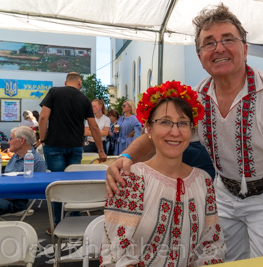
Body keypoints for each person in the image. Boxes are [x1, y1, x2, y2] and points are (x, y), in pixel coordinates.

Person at [104, 4, 263, 266]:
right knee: (223, 261)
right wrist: (126, 156)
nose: (219, 48)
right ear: (200, 56)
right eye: (209, 43)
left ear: (245, 48)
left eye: (228, 40)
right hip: (224, 195)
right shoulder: (197, 98)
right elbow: (160, 131)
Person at [100, 82, 225, 266]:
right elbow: (114, 254)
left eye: (182, 123)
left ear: (192, 130)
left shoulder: (203, 181)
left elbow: (211, 246)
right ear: (148, 129)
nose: (174, 132)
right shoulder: (132, 179)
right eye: (165, 122)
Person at [39, 72, 106, 232]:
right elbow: (94, 126)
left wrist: (42, 140)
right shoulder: (84, 99)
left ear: (65, 82)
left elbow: (43, 118)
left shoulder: (54, 92)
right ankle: (76, 219)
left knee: (57, 185)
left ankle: (56, 223)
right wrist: (101, 150)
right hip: (76, 146)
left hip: (54, 145)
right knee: (74, 184)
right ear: (79, 83)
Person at [1, 126, 47, 215]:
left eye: (11, 138)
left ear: (21, 140)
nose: (8, 142)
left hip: (14, 202)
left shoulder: (36, 161)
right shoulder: (15, 156)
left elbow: (34, 188)